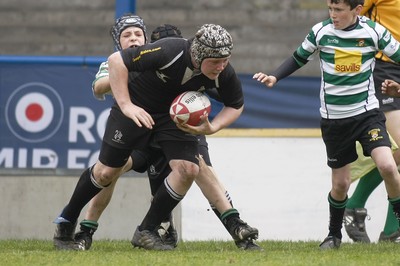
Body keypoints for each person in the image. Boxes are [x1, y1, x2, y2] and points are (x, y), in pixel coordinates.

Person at [54, 20, 259, 251]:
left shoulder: (222, 71)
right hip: (137, 109)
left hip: (170, 118)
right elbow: (115, 61)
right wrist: (126, 105)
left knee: (190, 168)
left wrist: (212, 127)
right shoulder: (169, 50)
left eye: (225, 60)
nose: (222, 66)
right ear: (199, 56)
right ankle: (67, 221)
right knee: (105, 173)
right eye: (216, 61)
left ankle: (147, 230)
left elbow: (236, 104)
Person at [253, 0, 400, 249]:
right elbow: (298, 57)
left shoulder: (374, 32)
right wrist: (274, 76)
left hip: (367, 115)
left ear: (357, 9)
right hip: (334, 120)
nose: (333, 15)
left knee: (387, 164)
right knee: (340, 184)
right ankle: (333, 235)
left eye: (339, 10)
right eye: (330, 9)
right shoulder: (321, 32)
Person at [343, 0, 400, 243]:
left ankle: (385, 228)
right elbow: (346, 16)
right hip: (385, 69)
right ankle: (390, 228)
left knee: (395, 155)